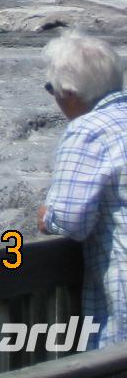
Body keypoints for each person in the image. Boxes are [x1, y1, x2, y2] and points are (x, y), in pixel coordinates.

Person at [38, 32, 127, 347]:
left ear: (70, 93)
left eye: (51, 88)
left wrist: (47, 216)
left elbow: (71, 221)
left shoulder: (88, 131)